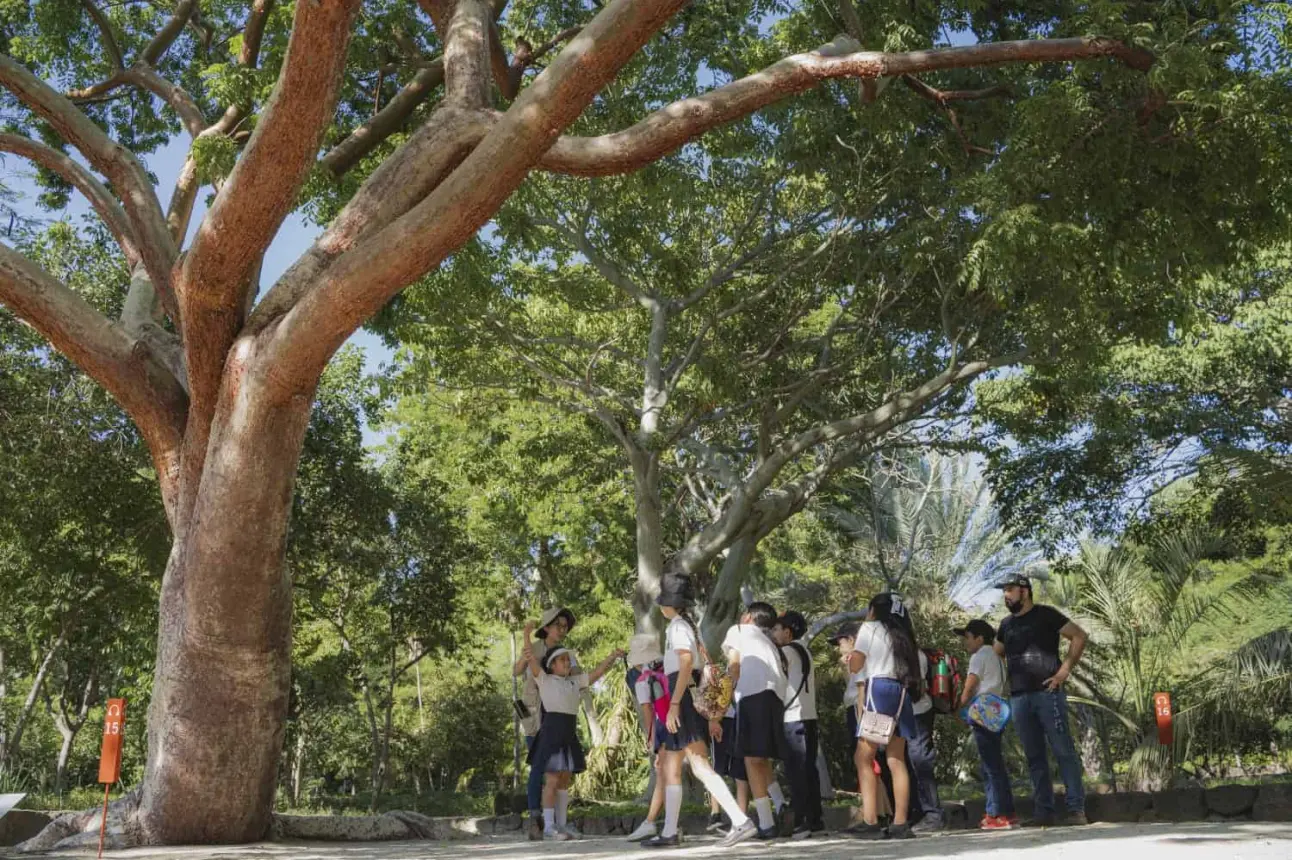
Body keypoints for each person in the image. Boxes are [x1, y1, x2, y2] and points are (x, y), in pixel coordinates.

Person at [645, 573, 756, 848]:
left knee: (699, 764)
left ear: (670, 604)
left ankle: (741, 821)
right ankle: (670, 831)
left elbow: (685, 664)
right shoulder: (682, 626)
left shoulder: (678, 627)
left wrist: (673, 705)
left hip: (682, 699)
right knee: (673, 765)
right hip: (683, 696)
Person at [994, 575, 1090, 826]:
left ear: (1025, 592)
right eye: (1004, 591)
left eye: (1010, 590)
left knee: (1063, 751)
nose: (1006, 595)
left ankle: (1076, 810)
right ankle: (1043, 812)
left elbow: (1079, 636)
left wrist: (1064, 671)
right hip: (1019, 698)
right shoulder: (1005, 625)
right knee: (1034, 756)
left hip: (1048, 694)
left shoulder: (1047, 614)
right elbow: (995, 655)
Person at [521, 627, 624, 841]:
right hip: (550, 733)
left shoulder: (575, 682)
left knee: (564, 780)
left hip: (568, 733)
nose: (568, 662)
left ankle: (562, 824)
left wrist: (612, 657)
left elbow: (597, 673)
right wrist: (526, 633)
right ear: (552, 665)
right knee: (551, 780)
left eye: (569, 659)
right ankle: (549, 827)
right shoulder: (544, 679)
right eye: (563, 660)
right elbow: (530, 656)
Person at [850, 593, 921, 840]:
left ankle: (870, 820)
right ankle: (900, 822)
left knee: (864, 756)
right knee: (896, 759)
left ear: (873, 610)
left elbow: (856, 665)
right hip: (901, 692)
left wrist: (849, 656)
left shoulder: (869, 628)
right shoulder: (903, 634)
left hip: (878, 690)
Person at [722, 601, 789, 839]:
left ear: (748, 617)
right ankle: (781, 804)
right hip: (775, 697)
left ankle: (767, 822)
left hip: (752, 695)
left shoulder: (739, 630)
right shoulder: (768, 642)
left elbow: (734, 665)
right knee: (760, 757)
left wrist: (721, 701)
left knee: (750, 759)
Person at [513, 606, 575, 840]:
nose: (562, 629)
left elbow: (577, 677)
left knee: (560, 770)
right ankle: (534, 818)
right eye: (558, 625)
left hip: (558, 716)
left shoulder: (566, 652)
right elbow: (516, 670)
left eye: (565, 626)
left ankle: (558, 822)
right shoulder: (535, 647)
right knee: (538, 767)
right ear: (546, 628)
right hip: (533, 714)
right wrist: (528, 649)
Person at [955, 619, 1016, 830]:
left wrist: (959, 704)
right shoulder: (997, 657)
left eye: (968, 637)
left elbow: (970, 685)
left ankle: (996, 814)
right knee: (995, 763)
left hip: (982, 710)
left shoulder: (979, 656)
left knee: (990, 766)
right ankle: (1006, 811)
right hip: (997, 711)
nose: (966, 642)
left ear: (979, 638)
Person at [772, 611, 825, 839]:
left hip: (792, 718)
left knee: (796, 772)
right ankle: (815, 820)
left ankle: (801, 821)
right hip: (809, 716)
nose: (773, 634)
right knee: (809, 770)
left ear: (788, 631)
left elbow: (776, 681)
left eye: (776, 629)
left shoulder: (786, 652)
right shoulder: (805, 651)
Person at [626, 633, 668, 842]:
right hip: (682, 722)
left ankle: (651, 823)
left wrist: (651, 737)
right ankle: (668, 823)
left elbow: (647, 712)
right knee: (671, 774)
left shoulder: (643, 680)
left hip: (663, 727)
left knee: (663, 774)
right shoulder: (668, 669)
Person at [707, 700, 749, 834]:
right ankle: (716, 814)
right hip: (724, 716)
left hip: (735, 715)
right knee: (719, 767)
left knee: (738, 769)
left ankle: (740, 818)